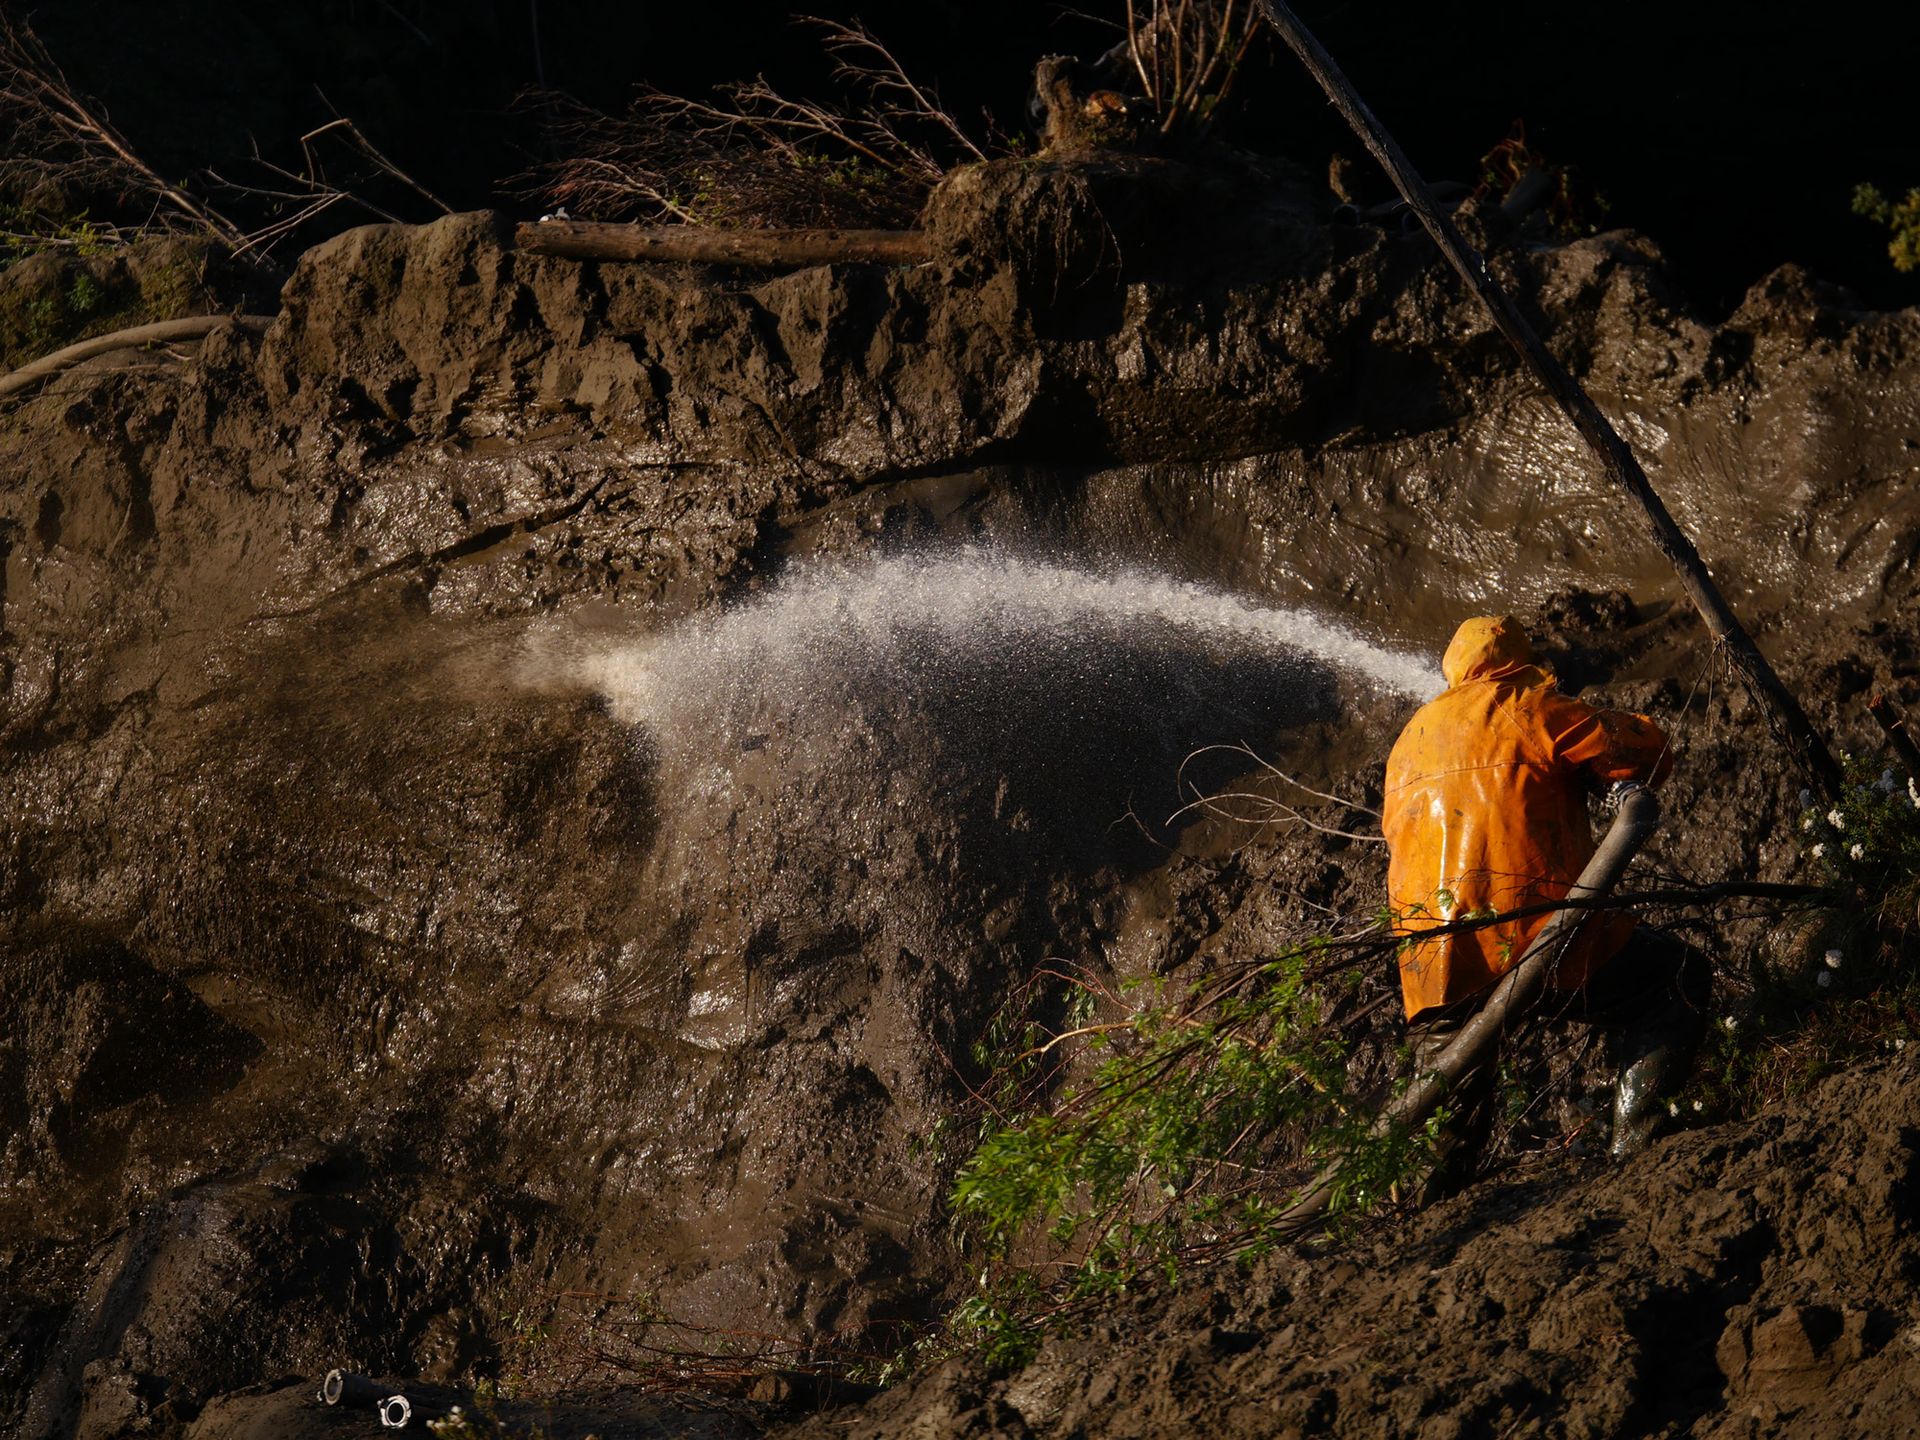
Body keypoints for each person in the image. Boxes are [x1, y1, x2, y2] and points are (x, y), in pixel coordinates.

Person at [1381, 615, 1710, 1181]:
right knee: (1675, 979)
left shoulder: (1408, 741)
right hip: (1536, 937)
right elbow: (1643, 750)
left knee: (1446, 1108)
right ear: (1519, 663)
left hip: (1435, 964)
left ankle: (1425, 1212)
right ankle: (1640, 1155)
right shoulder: (1526, 706)